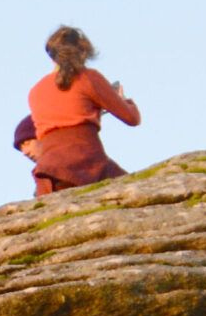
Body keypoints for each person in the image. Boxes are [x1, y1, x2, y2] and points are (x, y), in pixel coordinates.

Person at [26, 26, 139, 194]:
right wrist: (123, 100)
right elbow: (132, 119)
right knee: (132, 193)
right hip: (88, 164)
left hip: (49, 171)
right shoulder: (88, 77)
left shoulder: (35, 91)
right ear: (84, 52)